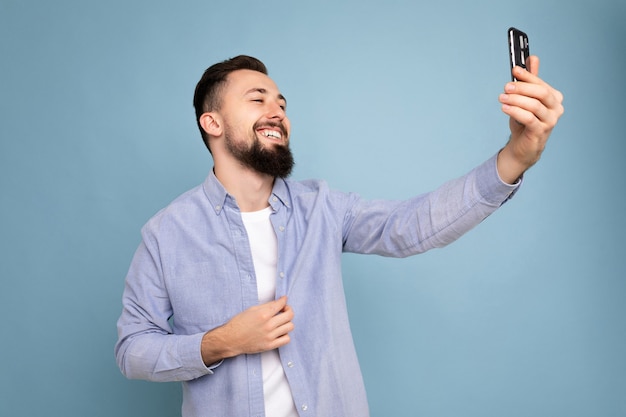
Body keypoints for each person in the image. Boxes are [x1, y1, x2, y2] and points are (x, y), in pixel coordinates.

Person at [115, 54, 563, 417]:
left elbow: (414, 224)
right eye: (258, 99)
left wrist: (515, 157)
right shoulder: (166, 234)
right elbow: (132, 349)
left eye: (282, 104)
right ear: (212, 123)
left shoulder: (323, 207)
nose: (278, 112)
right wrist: (222, 341)